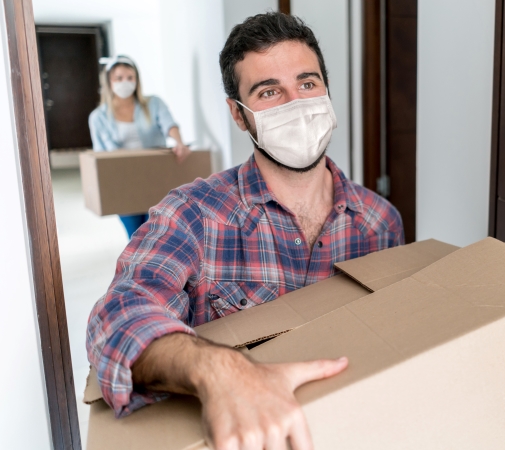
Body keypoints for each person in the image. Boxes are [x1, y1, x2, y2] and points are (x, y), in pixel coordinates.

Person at [86, 12, 404, 450]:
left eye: (307, 84)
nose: (295, 103)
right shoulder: (193, 214)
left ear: (326, 92)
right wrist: (221, 370)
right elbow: (117, 319)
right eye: (269, 91)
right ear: (239, 114)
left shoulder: (381, 222)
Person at [88, 55, 191, 238]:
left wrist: (179, 143)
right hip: (123, 181)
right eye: (119, 78)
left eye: (130, 77)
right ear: (109, 82)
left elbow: (169, 124)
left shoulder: (153, 103)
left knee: (159, 232)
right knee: (136, 236)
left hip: (154, 175)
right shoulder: (98, 117)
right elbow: (100, 154)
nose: (125, 82)